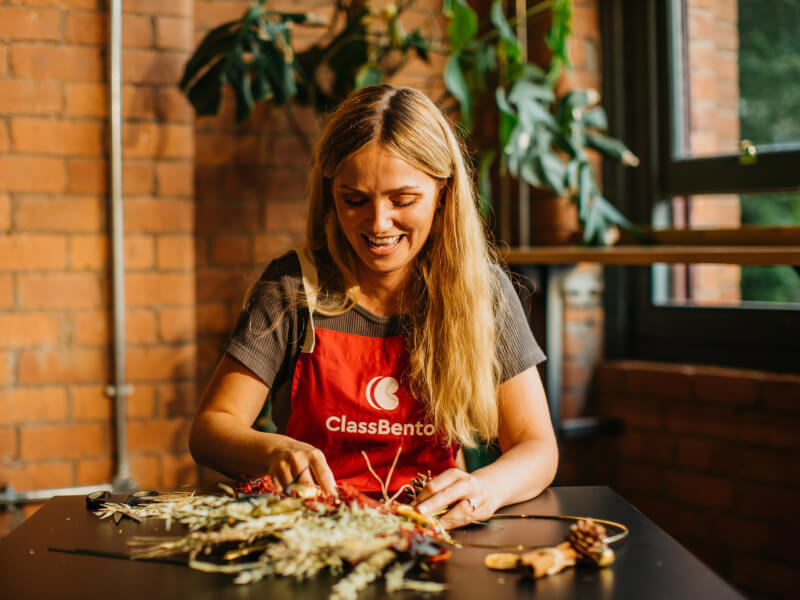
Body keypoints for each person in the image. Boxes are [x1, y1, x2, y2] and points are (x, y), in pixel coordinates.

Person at [190, 84, 558, 529]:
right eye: (355, 200)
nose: (379, 223)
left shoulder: (483, 292)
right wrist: (273, 450)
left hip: (430, 530)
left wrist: (487, 488)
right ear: (332, 193)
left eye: (403, 200)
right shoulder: (292, 287)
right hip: (315, 531)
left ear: (443, 193)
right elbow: (210, 429)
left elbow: (537, 447)